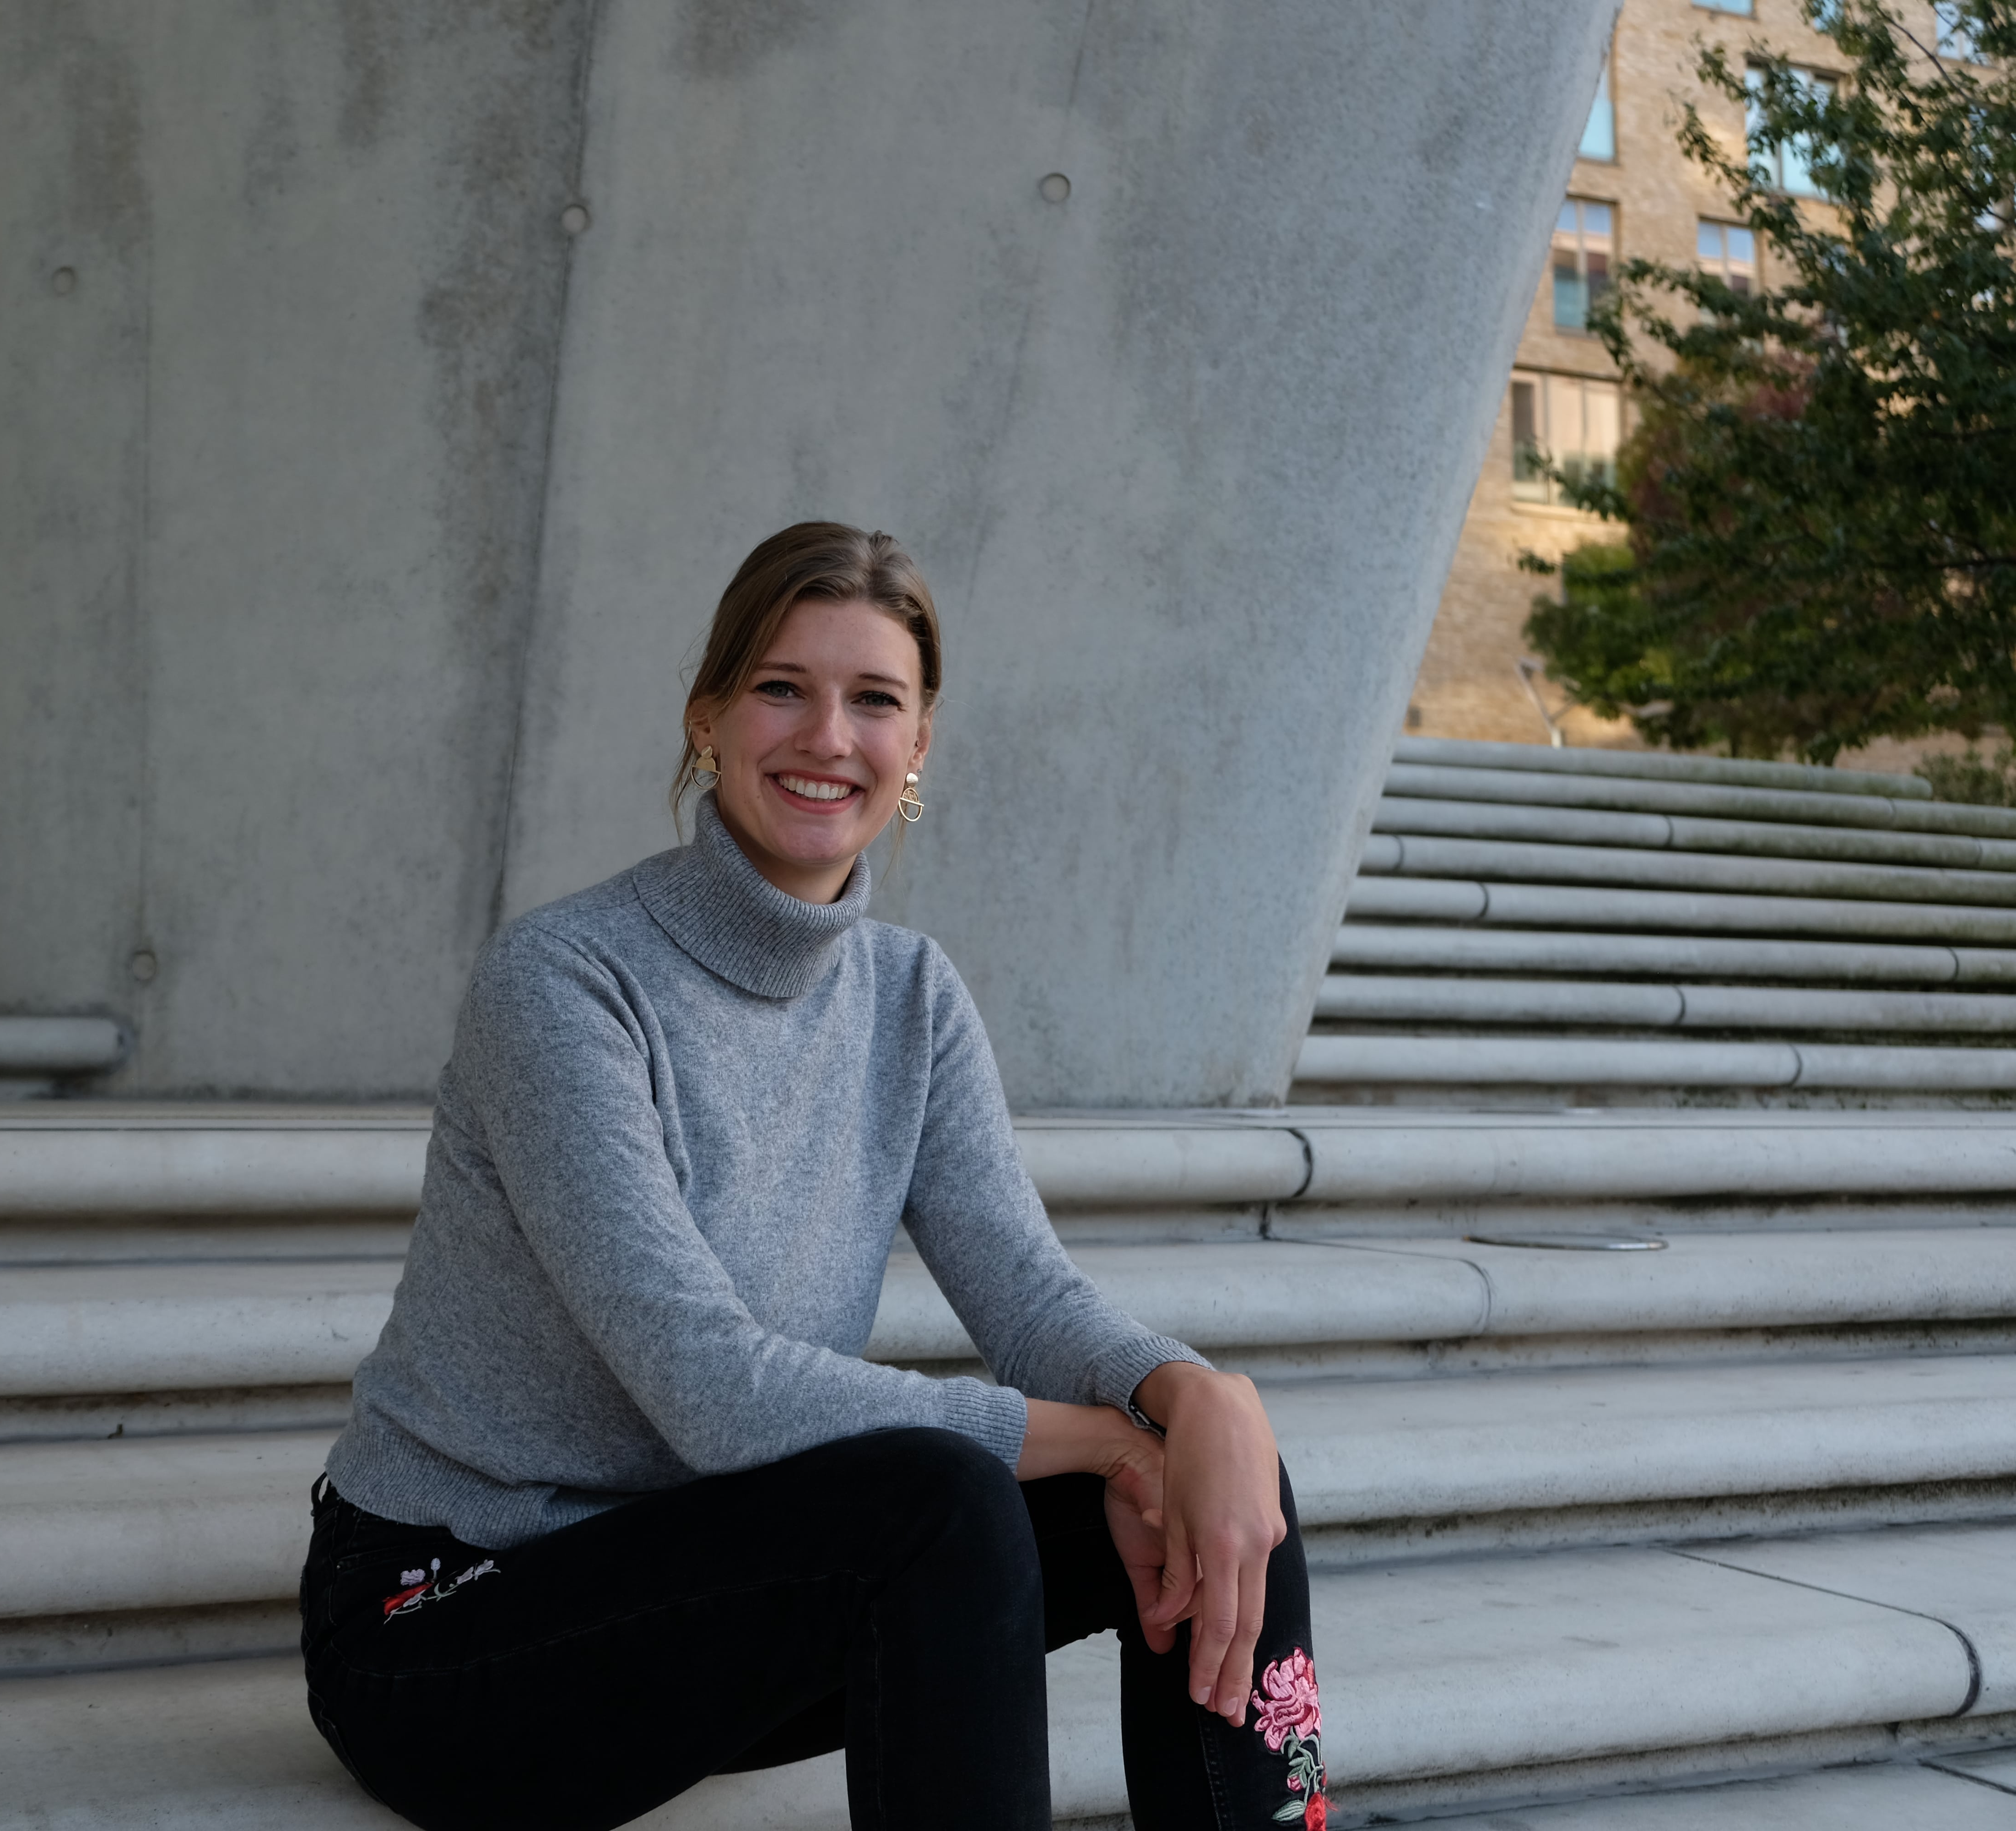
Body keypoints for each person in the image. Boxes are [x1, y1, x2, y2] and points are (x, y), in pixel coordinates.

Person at [304, 522, 1326, 1831]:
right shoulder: (564, 984)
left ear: (919, 746)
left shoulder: (912, 998)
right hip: (450, 1625)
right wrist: (1113, 1440)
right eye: (782, 687)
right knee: (946, 1495)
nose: (827, 737)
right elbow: (713, 1391)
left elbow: (1026, 1296)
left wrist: (1194, 1399)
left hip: (715, 1588)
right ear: (708, 719)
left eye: (874, 700)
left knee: (1234, 1490)